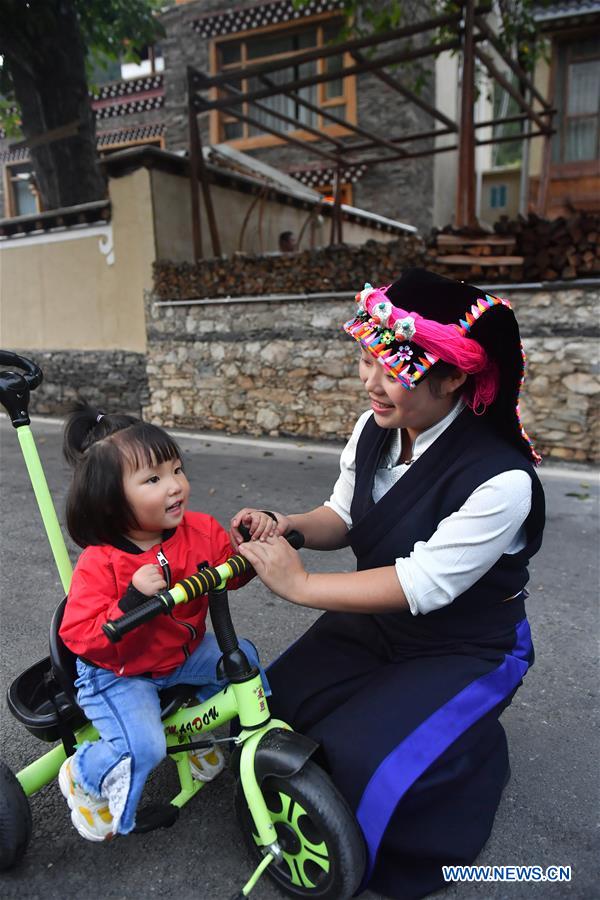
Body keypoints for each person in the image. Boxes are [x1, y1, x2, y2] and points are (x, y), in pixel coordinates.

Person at [231, 268, 545, 899]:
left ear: (455, 376)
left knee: (353, 766)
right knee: (270, 713)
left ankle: (463, 752)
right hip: (379, 624)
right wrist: (288, 527)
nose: (370, 382)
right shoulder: (375, 429)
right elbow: (343, 517)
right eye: (366, 359)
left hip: (465, 646)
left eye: (392, 366)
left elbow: (420, 584)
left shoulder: (502, 481)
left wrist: (299, 586)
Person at [57, 403, 269, 843]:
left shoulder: (202, 530)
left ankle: (204, 744)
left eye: (177, 469)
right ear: (112, 500)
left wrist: (250, 551)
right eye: (153, 479)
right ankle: (84, 773)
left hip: (179, 654)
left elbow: (232, 573)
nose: (175, 486)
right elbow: (79, 636)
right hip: (117, 673)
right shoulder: (101, 561)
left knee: (242, 661)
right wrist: (132, 599)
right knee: (145, 747)